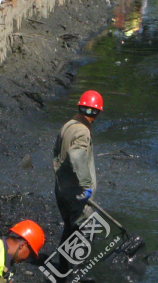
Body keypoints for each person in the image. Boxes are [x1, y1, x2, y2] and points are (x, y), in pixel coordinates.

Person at [52, 90, 103, 273]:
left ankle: (63, 267)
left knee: (70, 227)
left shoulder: (68, 126)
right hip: (76, 191)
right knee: (88, 227)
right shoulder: (83, 131)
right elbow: (76, 154)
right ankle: (77, 272)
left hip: (62, 188)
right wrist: (86, 185)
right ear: (97, 113)